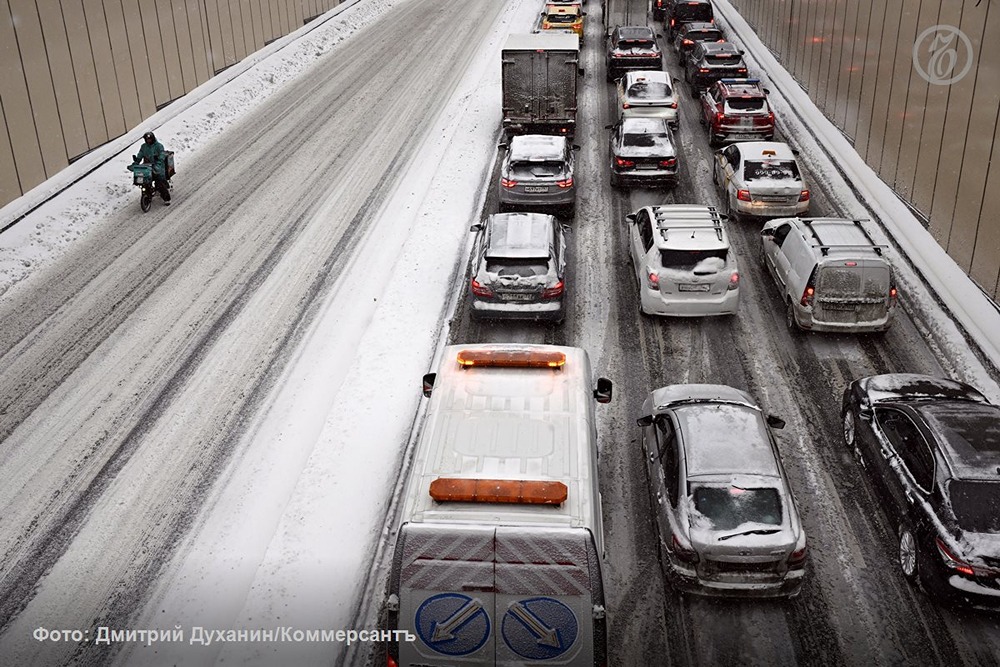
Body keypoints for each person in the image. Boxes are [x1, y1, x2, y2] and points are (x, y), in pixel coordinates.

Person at [133, 131, 171, 204]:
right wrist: (136, 162)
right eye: (147, 139)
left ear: (153, 138)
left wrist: (158, 161)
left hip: (158, 167)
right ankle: (147, 194)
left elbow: (162, 154)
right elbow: (140, 154)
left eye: (149, 139)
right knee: (144, 180)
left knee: (159, 181)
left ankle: (167, 198)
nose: (148, 140)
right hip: (147, 167)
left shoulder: (159, 146)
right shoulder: (143, 146)